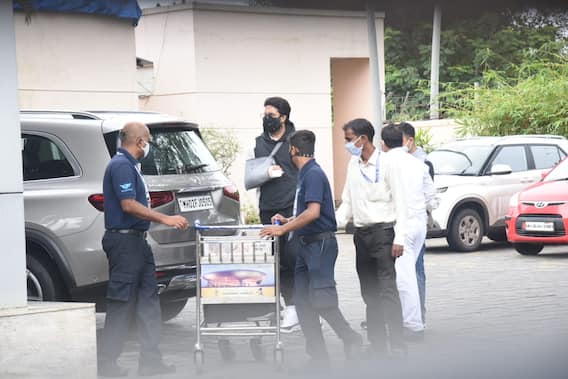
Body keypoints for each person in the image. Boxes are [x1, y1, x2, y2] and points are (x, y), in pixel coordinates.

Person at [260, 130, 362, 366]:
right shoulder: (305, 173)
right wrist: (288, 221)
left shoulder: (313, 174)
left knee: (322, 299)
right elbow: (306, 211)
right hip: (306, 245)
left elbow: (314, 212)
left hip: (321, 245)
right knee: (303, 303)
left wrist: (282, 230)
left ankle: (351, 338)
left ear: (293, 150)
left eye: (289, 149)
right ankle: (318, 358)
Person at [98, 122, 189, 377]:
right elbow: (128, 205)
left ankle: (150, 360)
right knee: (120, 304)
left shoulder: (132, 166)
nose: (149, 145)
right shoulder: (121, 166)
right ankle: (107, 364)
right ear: (140, 142)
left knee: (149, 302)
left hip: (138, 242)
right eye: (148, 140)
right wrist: (166, 219)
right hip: (124, 243)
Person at [335, 119, 407, 356]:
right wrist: (330, 223)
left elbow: (401, 201)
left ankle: (397, 344)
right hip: (361, 234)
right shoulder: (353, 165)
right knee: (369, 292)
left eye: (349, 139)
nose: (347, 144)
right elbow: (347, 200)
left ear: (362, 139)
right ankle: (377, 343)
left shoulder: (387, 164)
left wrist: (400, 238)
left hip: (384, 233)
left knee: (387, 289)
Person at [383, 123, 435, 340]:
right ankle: (408, 321)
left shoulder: (384, 163)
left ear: (384, 143)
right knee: (409, 274)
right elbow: (431, 198)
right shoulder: (418, 164)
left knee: (404, 279)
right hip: (419, 224)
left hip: (399, 226)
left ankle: (412, 325)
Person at [254, 96, 299, 331]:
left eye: (271, 115)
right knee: (277, 260)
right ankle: (287, 307)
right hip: (268, 208)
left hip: (291, 208)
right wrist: (265, 173)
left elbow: (304, 170)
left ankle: (302, 307)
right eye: (264, 115)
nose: (267, 119)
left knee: (295, 259)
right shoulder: (259, 142)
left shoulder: (297, 140)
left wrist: (282, 174)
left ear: (283, 117)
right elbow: (254, 171)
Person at [400, 122, 435, 326]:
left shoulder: (423, 163)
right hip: (403, 223)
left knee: (416, 270)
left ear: (409, 141)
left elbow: (428, 195)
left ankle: (418, 315)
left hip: (415, 224)